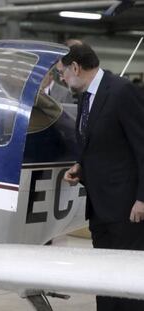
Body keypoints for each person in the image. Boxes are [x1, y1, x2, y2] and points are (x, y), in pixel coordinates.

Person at [59, 43, 144, 311]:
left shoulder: (121, 91)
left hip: (127, 209)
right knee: (103, 281)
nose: (62, 78)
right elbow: (101, 144)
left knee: (128, 284)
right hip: (99, 208)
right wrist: (80, 167)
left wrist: (142, 199)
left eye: (63, 72)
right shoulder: (85, 97)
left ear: (76, 67)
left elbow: (142, 148)